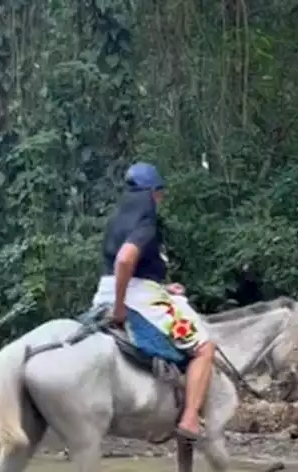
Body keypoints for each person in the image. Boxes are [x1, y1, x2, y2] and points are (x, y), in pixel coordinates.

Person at [91, 161, 215, 443]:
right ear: (153, 192)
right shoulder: (145, 220)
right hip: (135, 297)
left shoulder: (118, 218)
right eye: (160, 193)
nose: (160, 199)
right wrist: (121, 307)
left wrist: (163, 286)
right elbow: (125, 259)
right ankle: (191, 418)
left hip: (105, 291)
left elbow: (124, 264)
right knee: (205, 347)